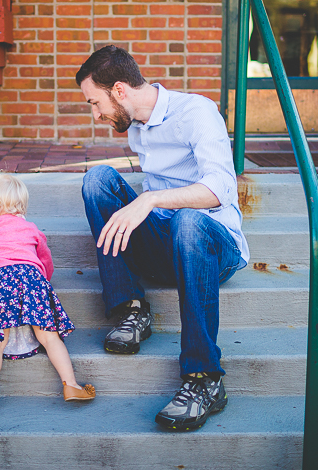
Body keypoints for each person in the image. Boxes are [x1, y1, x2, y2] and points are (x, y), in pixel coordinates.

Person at [77, 45, 248, 431]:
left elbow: (221, 187)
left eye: (94, 102)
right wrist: (146, 207)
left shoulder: (196, 113)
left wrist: (150, 199)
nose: (95, 114)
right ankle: (131, 309)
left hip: (212, 245)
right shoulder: (136, 127)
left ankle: (204, 380)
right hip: (167, 245)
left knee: (188, 222)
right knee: (97, 180)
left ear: (119, 90)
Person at [0, 173, 95, 412]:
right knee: (49, 336)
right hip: (33, 281)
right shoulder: (31, 229)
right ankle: (71, 385)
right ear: (22, 207)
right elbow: (46, 261)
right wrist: (42, 283)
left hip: (1, 283)